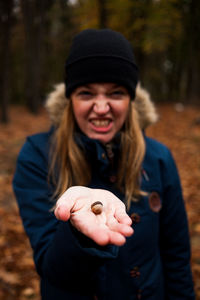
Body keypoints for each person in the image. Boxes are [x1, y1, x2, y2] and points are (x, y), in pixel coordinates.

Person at [13, 29, 195, 300]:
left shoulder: (159, 158)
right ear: (70, 99)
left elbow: (176, 255)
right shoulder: (38, 156)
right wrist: (78, 233)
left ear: (131, 99)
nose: (101, 107)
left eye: (116, 93)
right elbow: (53, 269)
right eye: (86, 93)